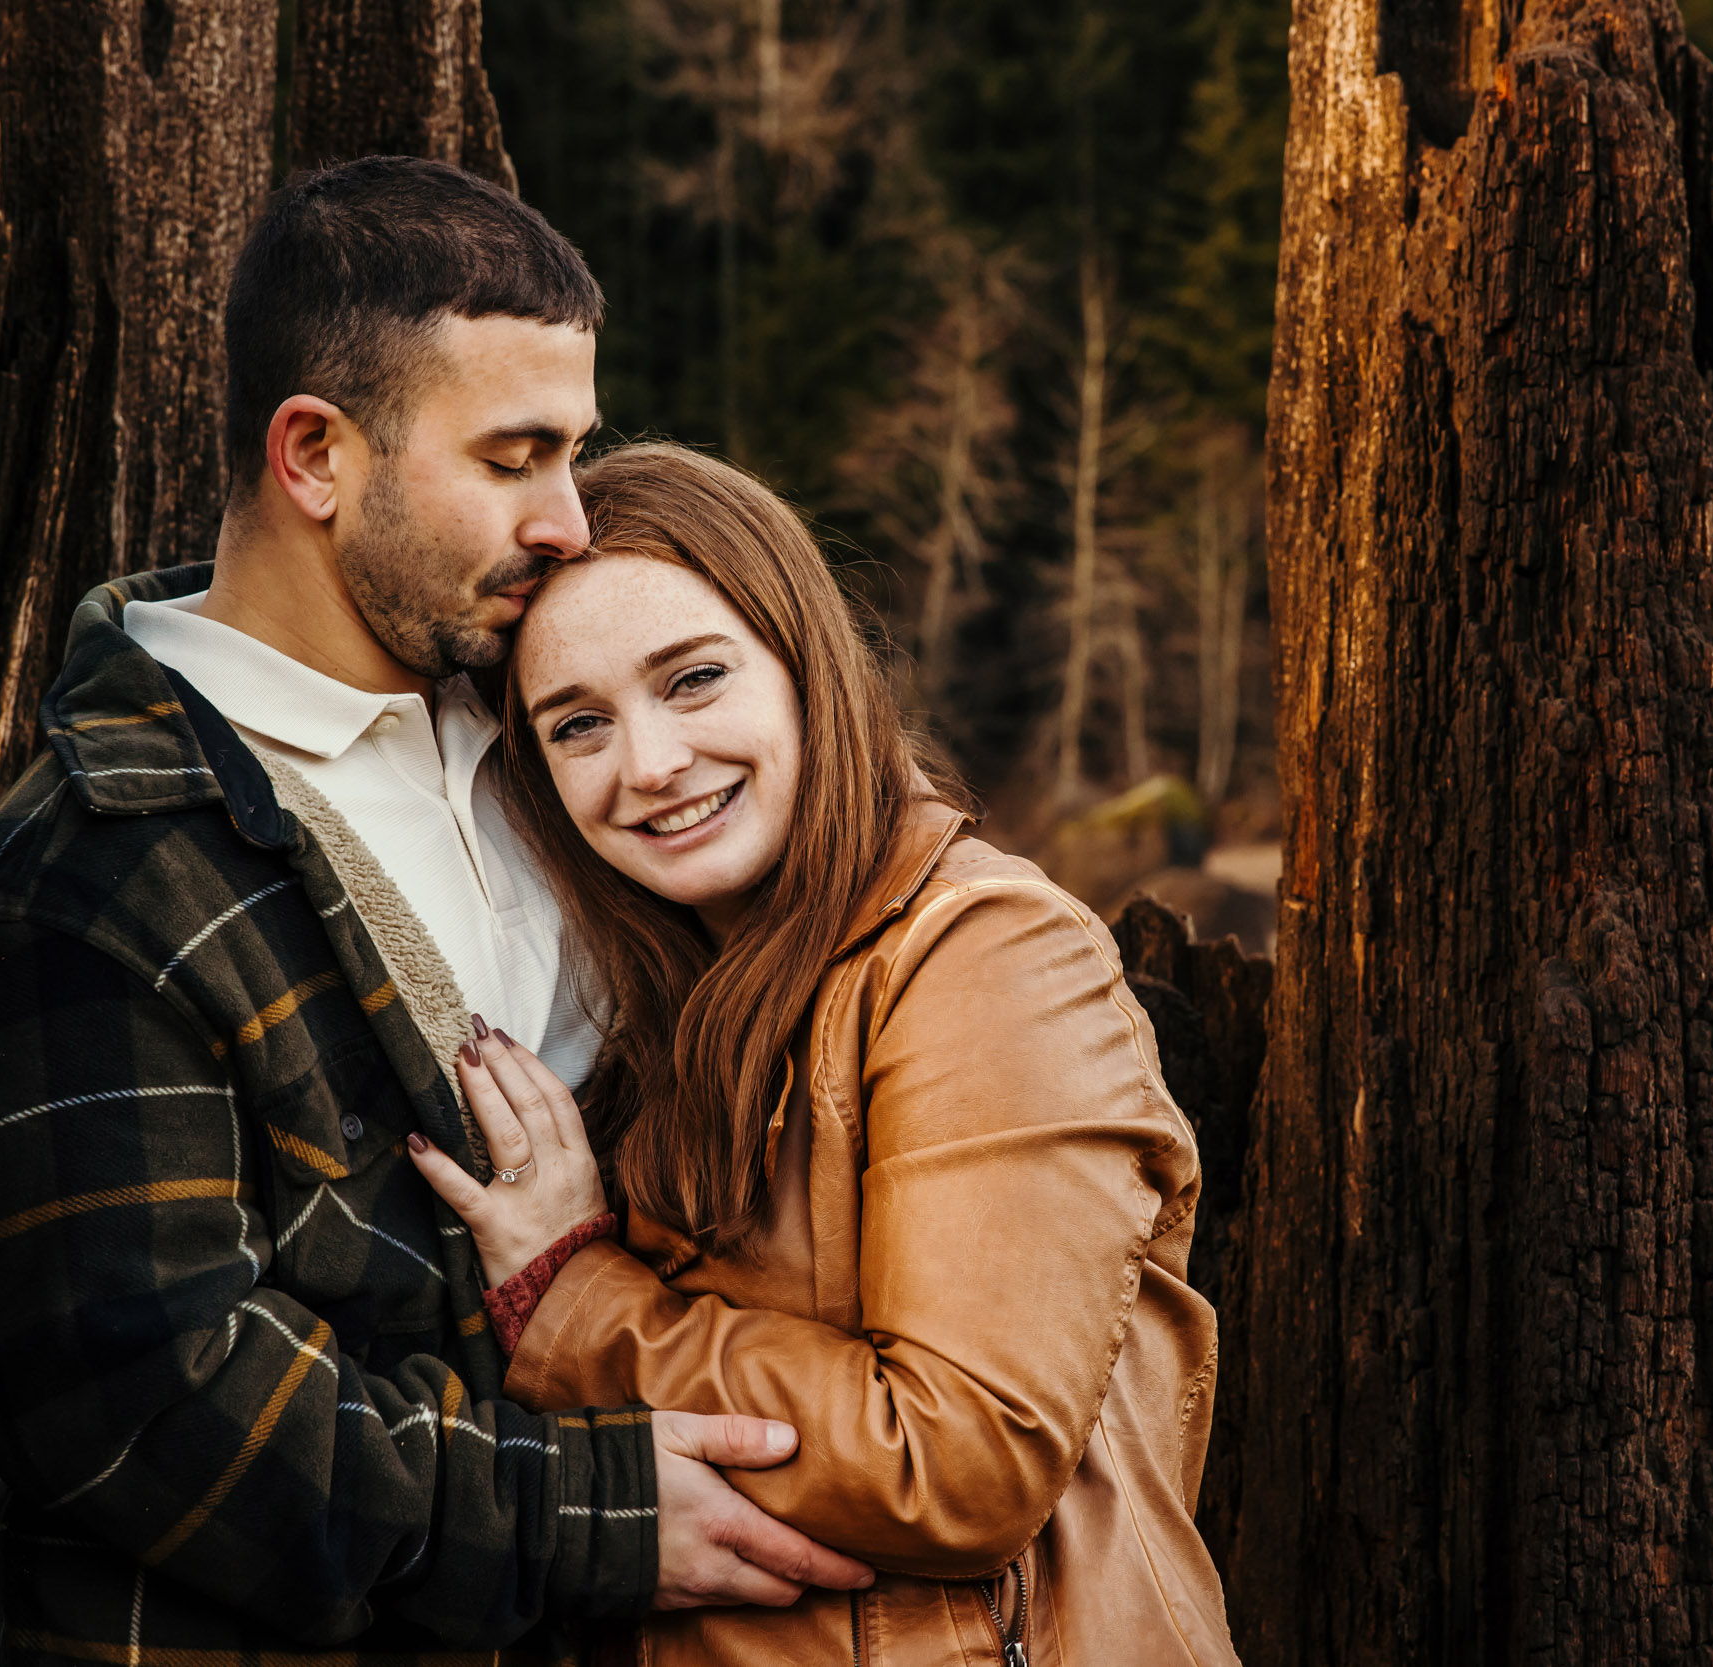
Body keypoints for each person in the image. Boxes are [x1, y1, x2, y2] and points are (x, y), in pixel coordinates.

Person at [0, 160, 871, 1667]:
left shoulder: (560, 750)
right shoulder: (88, 876)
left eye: (577, 453)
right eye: (515, 456)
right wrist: (592, 1515)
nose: (568, 520)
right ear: (314, 456)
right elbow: (142, 1405)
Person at [405, 442, 1241, 1666]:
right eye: (579, 723)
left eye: (693, 679)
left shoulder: (983, 954)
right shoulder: (661, 1002)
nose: (650, 763)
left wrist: (576, 1303)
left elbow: (963, 1456)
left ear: (808, 669)